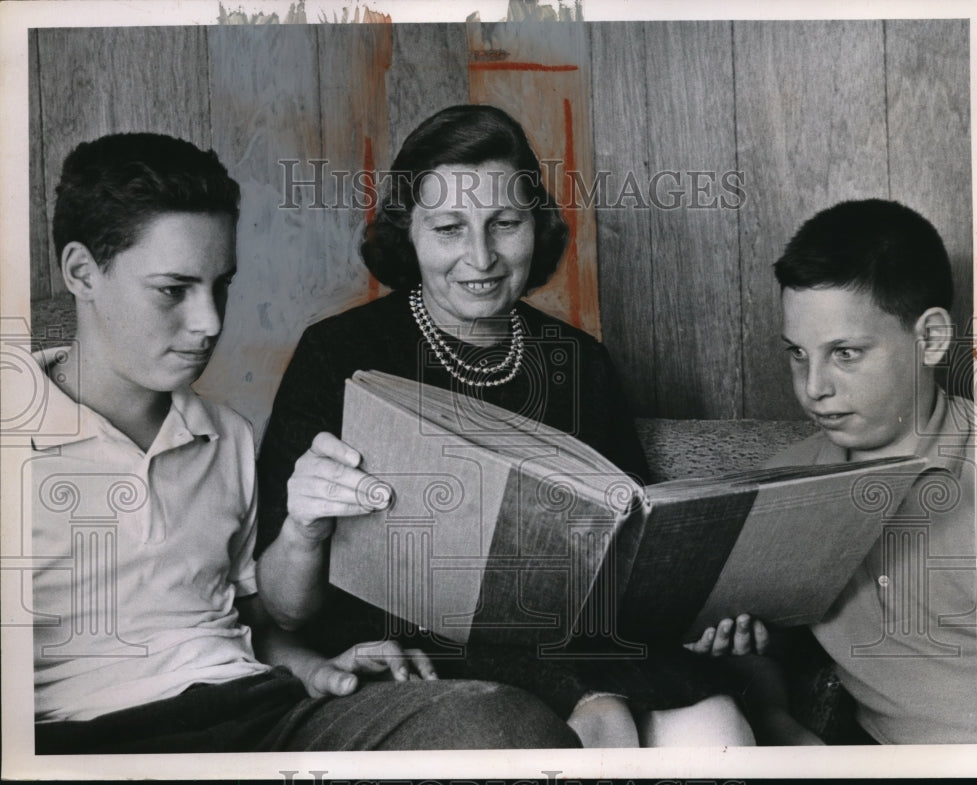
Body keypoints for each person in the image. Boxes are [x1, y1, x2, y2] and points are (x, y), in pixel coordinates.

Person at [29, 132, 581, 753]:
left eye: (222, 287)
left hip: (260, 706)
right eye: (173, 290)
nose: (210, 322)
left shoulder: (225, 434)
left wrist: (320, 667)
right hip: (100, 738)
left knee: (505, 724)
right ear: (81, 272)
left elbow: (251, 623)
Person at [255, 104, 754, 747]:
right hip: (418, 655)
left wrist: (702, 605)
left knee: (715, 725)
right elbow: (286, 609)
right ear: (408, 232)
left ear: (535, 225)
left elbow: (633, 555)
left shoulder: (580, 362)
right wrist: (305, 522)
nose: (481, 257)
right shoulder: (337, 354)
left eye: (504, 224)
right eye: (449, 228)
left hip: (574, 640)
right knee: (601, 730)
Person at [729, 199, 977, 744]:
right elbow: (758, 641)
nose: (813, 387)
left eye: (845, 353)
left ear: (931, 339)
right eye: (798, 353)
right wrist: (775, 718)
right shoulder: (785, 484)